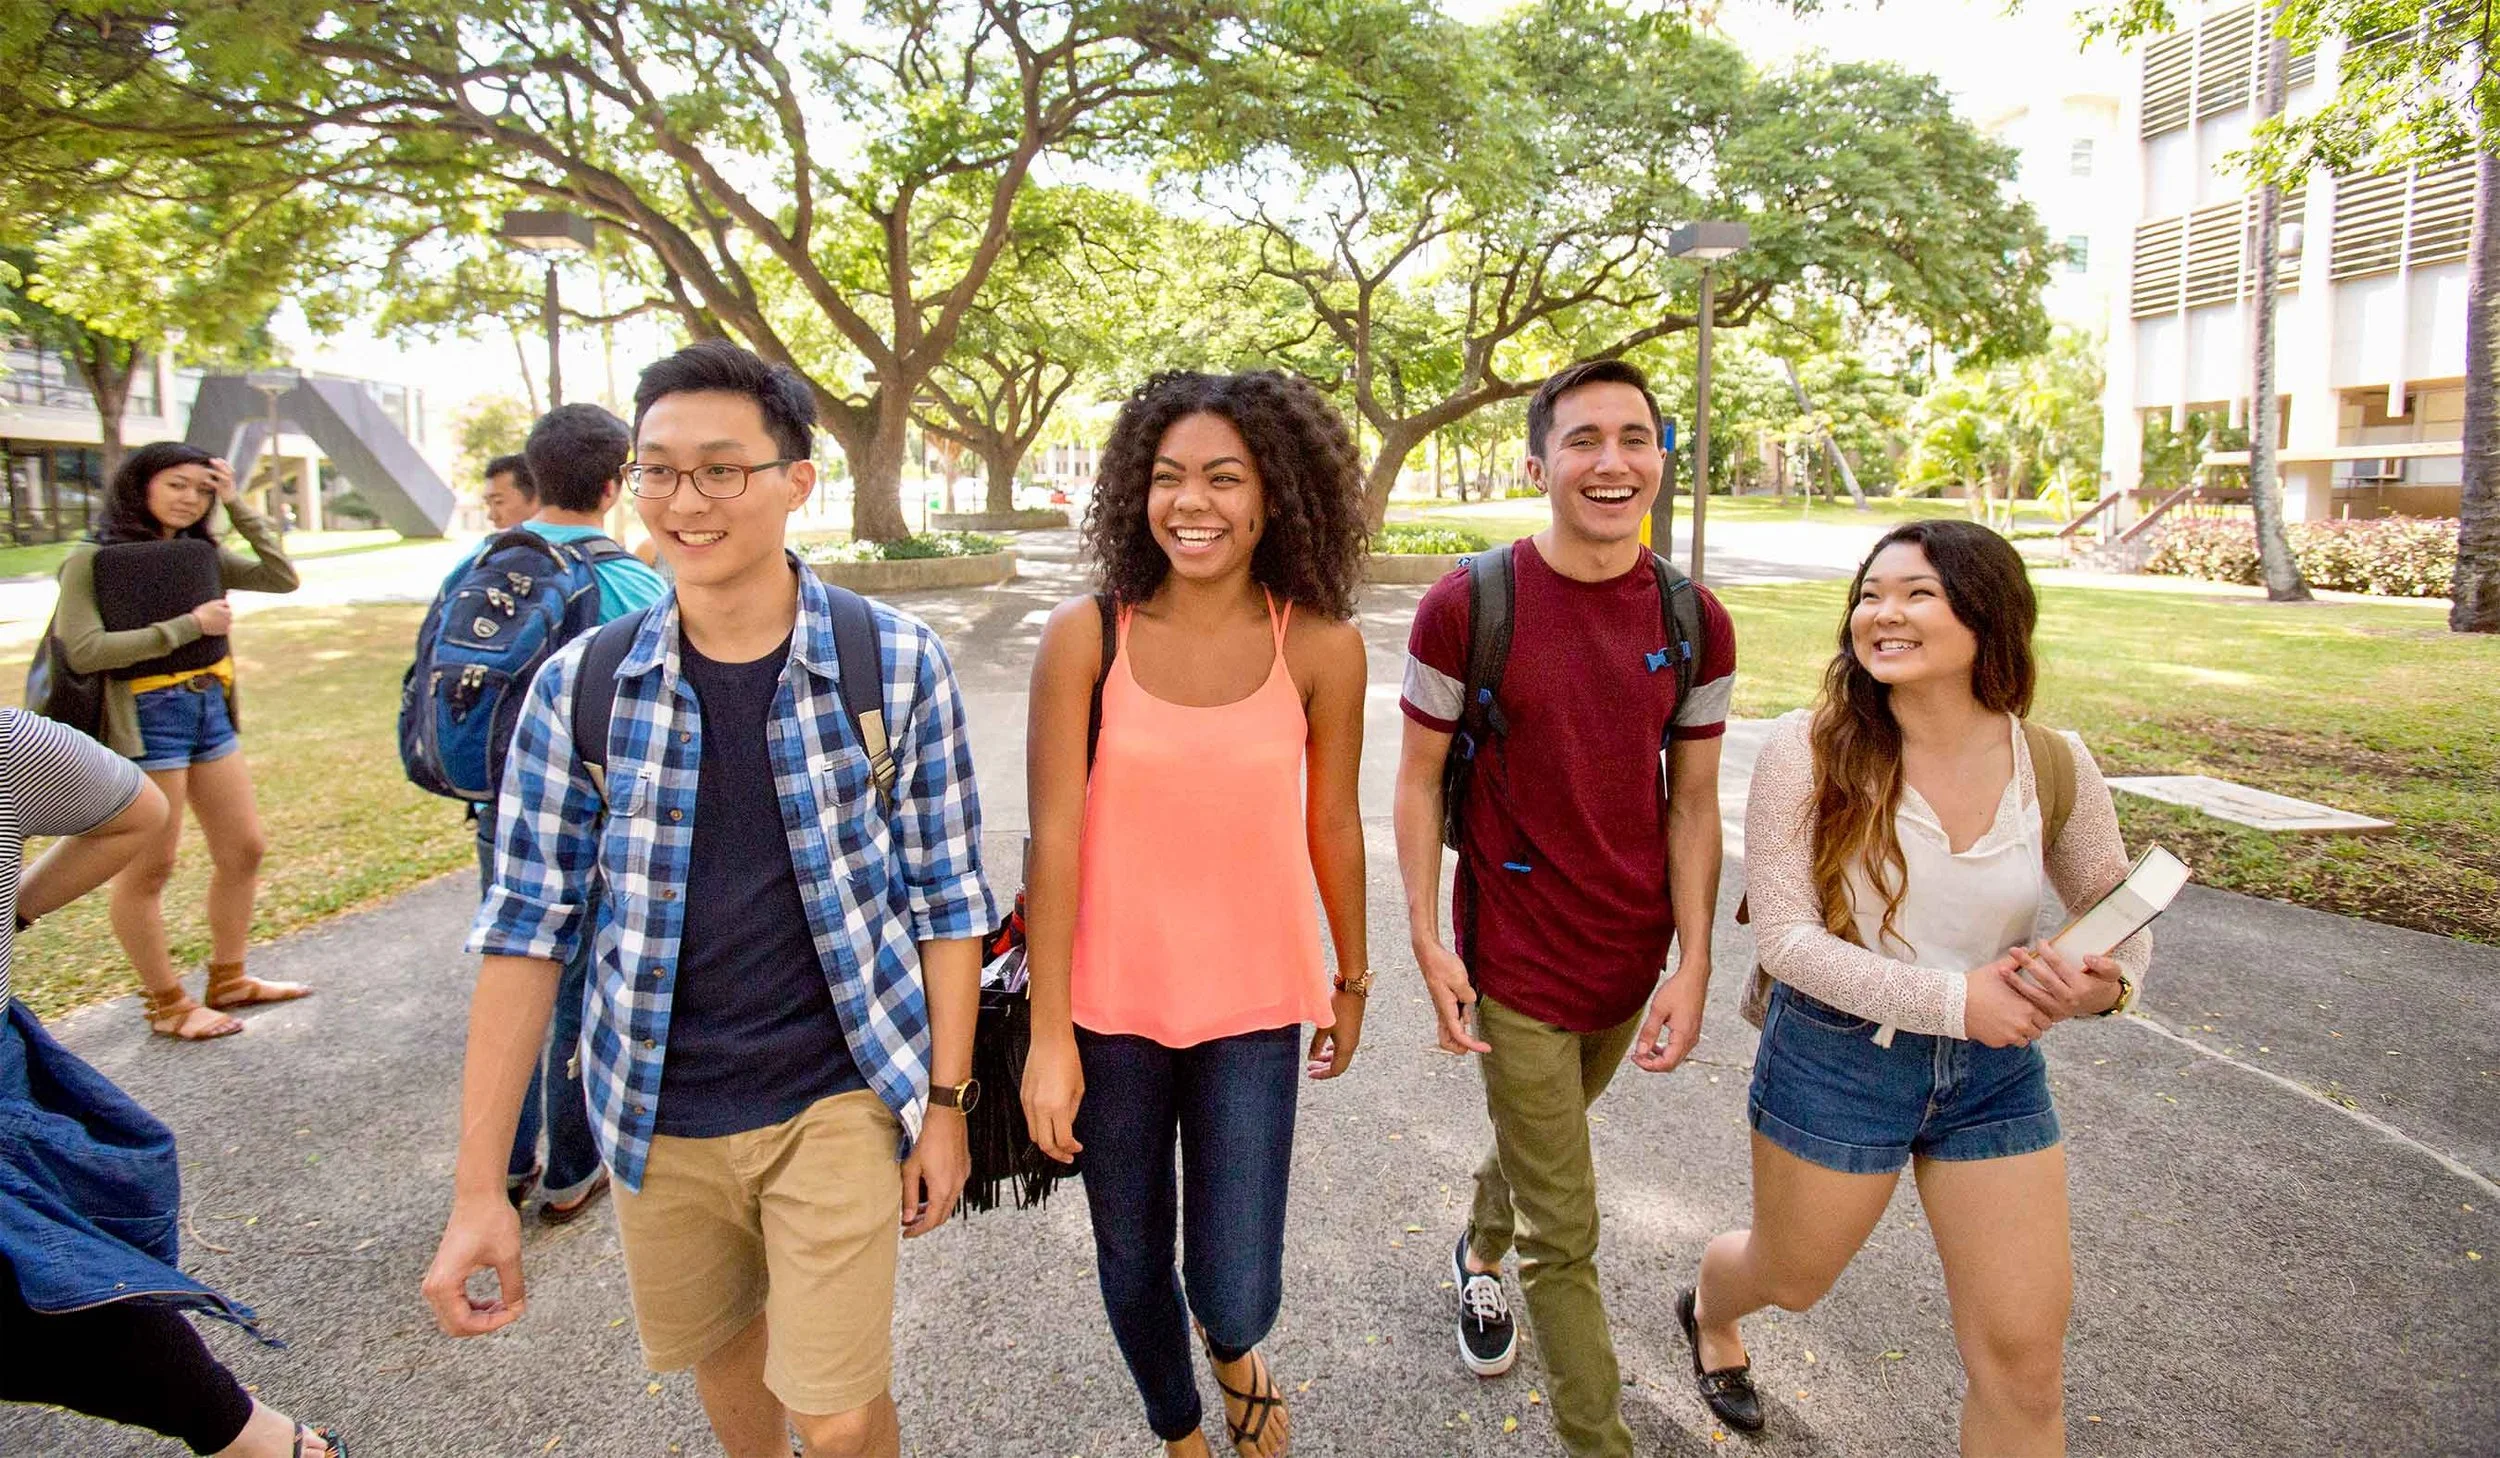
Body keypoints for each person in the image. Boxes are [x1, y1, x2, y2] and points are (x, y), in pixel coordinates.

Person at [422, 340, 995, 1458]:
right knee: (733, 1382)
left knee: (832, 1412)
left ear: (795, 480)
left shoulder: (895, 665)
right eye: (659, 470)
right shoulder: (579, 689)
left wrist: (947, 1103)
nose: (685, 501)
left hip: (837, 1092)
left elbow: (945, 897)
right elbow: (525, 934)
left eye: (721, 470)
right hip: (654, 1112)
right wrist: (479, 1188)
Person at [1679, 520, 2149, 1454]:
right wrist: (1955, 1001)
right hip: (1836, 1061)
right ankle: (1708, 1307)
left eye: (1917, 594)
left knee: (2024, 1363)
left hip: (1996, 1079)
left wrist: (2101, 986)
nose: (1882, 614)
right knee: (1790, 1277)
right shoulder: (1805, 751)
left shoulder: (2053, 760)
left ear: (1989, 616)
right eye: (1869, 595)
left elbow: (2121, 912)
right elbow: (1786, 940)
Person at [1020, 371, 1372, 1458]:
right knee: (1129, 1258)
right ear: (1135, 492)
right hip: (1108, 1010)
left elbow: (1335, 827)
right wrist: (1045, 1037)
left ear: (1276, 495)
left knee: (1233, 1279)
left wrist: (1352, 979)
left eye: (1225, 477)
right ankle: (1179, 1428)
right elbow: (1056, 842)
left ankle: (1234, 1350)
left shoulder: (1319, 648)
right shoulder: (1087, 637)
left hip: (1251, 1010)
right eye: (1168, 477)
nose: (1193, 502)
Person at [1393, 360, 1736, 1458]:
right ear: (1540, 465)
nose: (1611, 461)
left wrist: (1691, 962)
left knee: (1550, 1136)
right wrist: (1425, 936)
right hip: (1517, 955)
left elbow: (1692, 804)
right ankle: (1598, 1438)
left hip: (1628, 956)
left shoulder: (1696, 623)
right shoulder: (1468, 604)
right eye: (1583, 440)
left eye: (1634, 438)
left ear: (1661, 460)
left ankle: (1475, 1247)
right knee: (1568, 1231)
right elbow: (1412, 781)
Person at [0, 706, 346, 1456]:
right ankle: (243, 1429)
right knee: (56, 1277)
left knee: (55, 1272)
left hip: (194, 707)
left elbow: (132, 812)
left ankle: (239, 1427)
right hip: (146, 710)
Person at [438, 406, 665, 1223]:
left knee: (517, 964)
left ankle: (501, 1163)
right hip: (604, 815)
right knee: (586, 986)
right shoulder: (633, 583)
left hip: (501, 807)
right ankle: (573, 1170)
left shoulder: (480, 563)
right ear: (615, 484)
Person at [54, 443, 304, 1041]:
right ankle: (167, 1004)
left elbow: (281, 576)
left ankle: (229, 979)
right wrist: (188, 627)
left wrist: (241, 504)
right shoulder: (91, 560)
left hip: (207, 708)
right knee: (150, 866)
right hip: (143, 717)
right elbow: (85, 650)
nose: (190, 498)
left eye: (202, 488)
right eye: (177, 485)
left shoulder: (201, 555)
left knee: (243, 848)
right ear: (140, 486)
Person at [480, 452, 538, 531]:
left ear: (536, 499)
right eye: (488, 504)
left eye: (498, 502)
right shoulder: (489, 542)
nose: (492, 516)